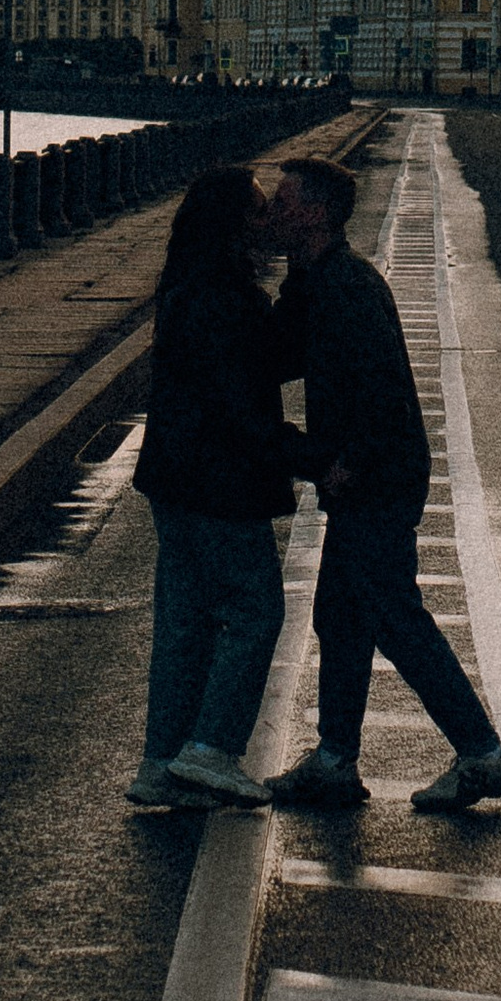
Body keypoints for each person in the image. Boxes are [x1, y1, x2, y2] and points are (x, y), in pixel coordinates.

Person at [258, 157, 501, 814]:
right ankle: (333, 761)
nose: (272, 212)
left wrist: (350, 458)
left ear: (318, 213)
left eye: (285, 203)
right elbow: (280, 355)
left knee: (394, 618)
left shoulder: (347, 286)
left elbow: (380, 385)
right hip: (369, 476)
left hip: (376, 476)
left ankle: (484, 753)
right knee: (343, 617)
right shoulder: (321, 280)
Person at [125, 167, 292, 811]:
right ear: (229, 225)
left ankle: (161, 760)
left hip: (172, 471)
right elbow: (240, 399)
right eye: (255, 211)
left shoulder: (185, 283)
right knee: (254, 612)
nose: (263, 219)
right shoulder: (225, 293)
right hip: (218, 478)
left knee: (185, 621)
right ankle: (213, 748)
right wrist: (296, 453)